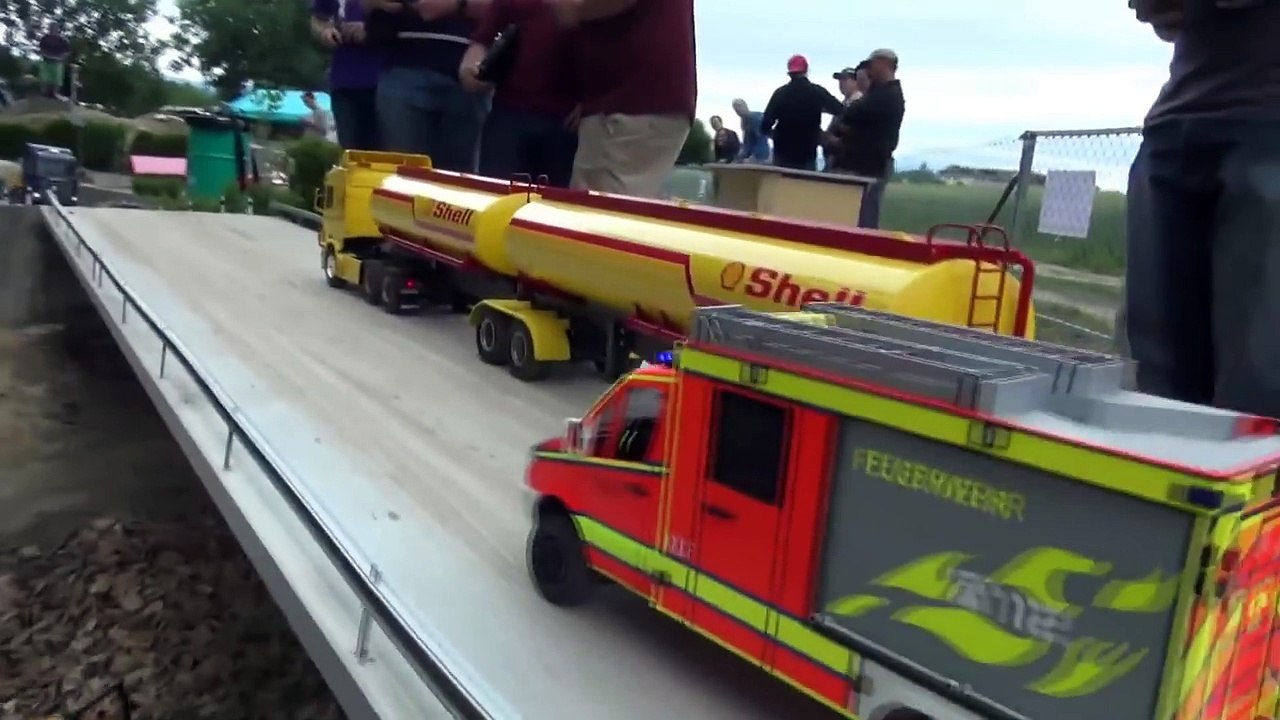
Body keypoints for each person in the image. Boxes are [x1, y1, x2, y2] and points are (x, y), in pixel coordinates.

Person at [1120, 0, 1280, 419]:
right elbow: (1161, 16)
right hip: (1175, 126)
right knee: (1154, 383)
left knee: (1257, 390)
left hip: (1269, 131)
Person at [545, 0, 697, 198]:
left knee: (600, 214)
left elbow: (573, 8)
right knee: (607, 209)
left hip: (631, 103)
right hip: (637, 100)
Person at [362, 0, 493, 172]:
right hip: (402, 64)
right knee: (407, 181)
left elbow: (507, 7)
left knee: (461, 185)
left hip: (468, 70)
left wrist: (456, 5)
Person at [460, 0, 579, 187]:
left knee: (556, 205)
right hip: (509, 113)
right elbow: (484, 40)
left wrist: (590, 102)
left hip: (566, 121)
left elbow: (601, 45)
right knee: (498, 195)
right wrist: (471, 68)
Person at [830, 48, 905, 228]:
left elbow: (853, 115)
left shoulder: (886, 96)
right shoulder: (882, 94)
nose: (870, 71)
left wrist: (842, 128)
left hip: (868, 166)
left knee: (864, 218)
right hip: (865, 165)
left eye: (873, 65)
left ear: (885, 64)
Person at [311, 0, 383, 150]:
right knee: (349, 151)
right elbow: (318, 19)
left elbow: (407, 15)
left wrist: (371, 30)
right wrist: (325, 32)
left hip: (385, 79)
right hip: (343, 80)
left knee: (383, 151)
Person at [759, 54, 844, 171]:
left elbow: (765, 124)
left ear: (789, 73)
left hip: (783, 151)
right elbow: (840, 110)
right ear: (806, 71)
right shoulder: (817, 92)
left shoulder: (780, 93)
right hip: (808, 150)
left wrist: (773, 134)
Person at [823, 62, 868, 168]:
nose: (841, 83)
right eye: (840, 80)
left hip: (847, 158)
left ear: (855, 81)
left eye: (845, 80)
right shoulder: (846, 102)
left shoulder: (857, 101)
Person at [37, 25, 70, 100]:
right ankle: (44, 93)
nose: (53, 31)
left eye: (55, 29)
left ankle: (55, 93)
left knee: (57, 78)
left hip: (57, 62)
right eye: (51, 29)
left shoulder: (62, 40)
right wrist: (45, 55)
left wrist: (61, 57)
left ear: (58, 30)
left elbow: (66, 52)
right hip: (46, 61)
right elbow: (41, 49)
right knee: (45, 78)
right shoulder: (45, 38)